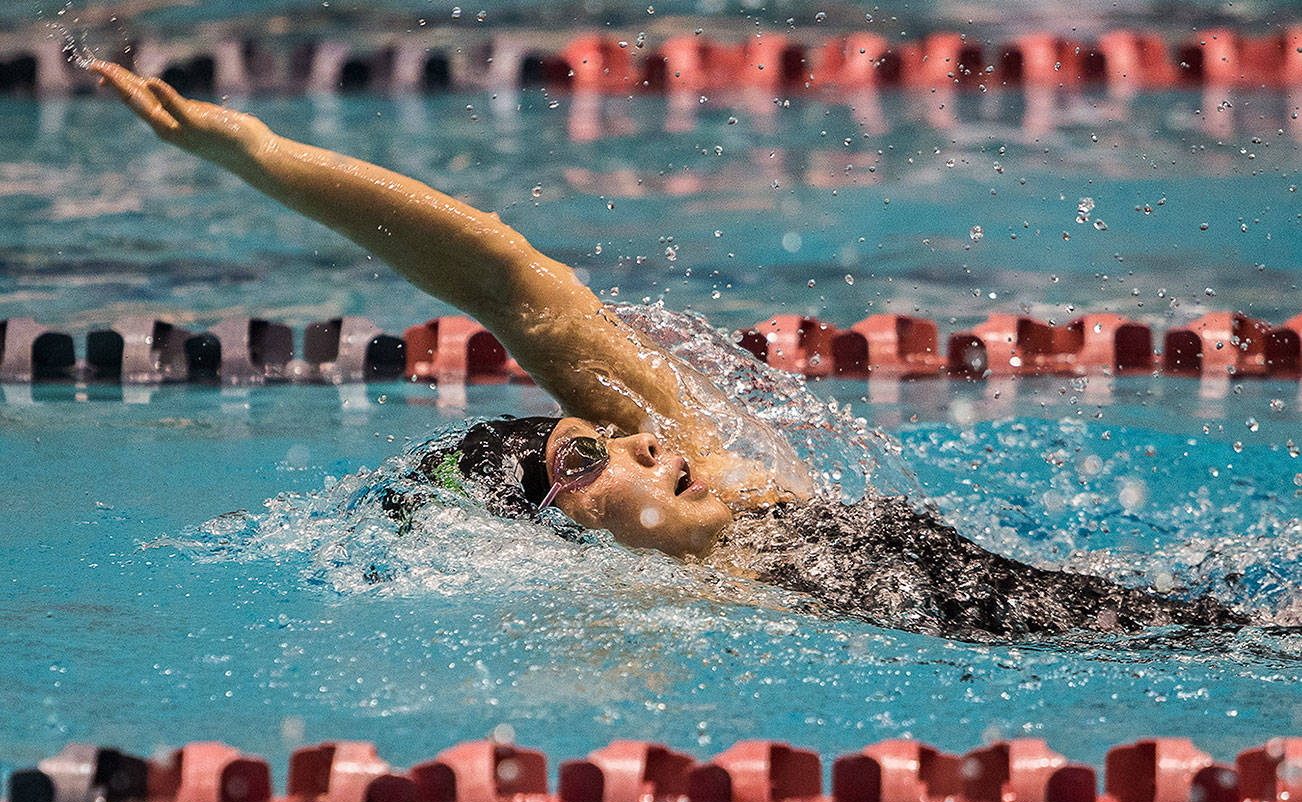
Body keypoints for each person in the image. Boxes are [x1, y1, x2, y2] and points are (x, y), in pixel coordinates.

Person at [90, 61, 1247, 638]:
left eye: (606, 434)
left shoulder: (727, 482)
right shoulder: (644, 615)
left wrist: (245, 149)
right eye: (590, 462)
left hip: (1179, 621)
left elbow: (503, 274)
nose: (643, 444)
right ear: (547, 540)